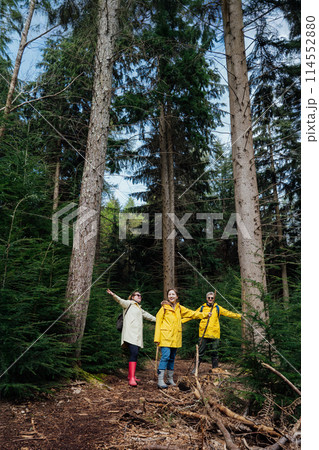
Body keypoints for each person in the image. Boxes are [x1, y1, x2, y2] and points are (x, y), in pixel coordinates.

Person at [154, 288, 211, 389]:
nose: (171, 296)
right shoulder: (164, 308)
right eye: (169, 294)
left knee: (172, 358)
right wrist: (157, 338)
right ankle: (160, 380)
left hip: (175, 338)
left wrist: (205, 315)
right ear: (167, 296)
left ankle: (169, 379)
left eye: (173, 294)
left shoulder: (179, 308)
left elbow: (192, 313)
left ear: (177, 296)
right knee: (165, 357)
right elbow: (158, 323)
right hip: (165, 337)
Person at [107, 288, 156, 387]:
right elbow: (120, 301)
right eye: (137, 295)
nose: (139, 297)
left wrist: (159, 320)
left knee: (135, 353)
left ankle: (131, 376)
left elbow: (148, 316)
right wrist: (113, 294)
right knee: (134, 353)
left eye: (140, 295)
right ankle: (132, 379)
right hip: (130, 334)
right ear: (132, 297)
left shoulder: (138, 308)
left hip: (137, 336)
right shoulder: (128, 303)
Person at [184, 291, 241, 373]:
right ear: (206, 298)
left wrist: (240, 316)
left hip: (215, 333)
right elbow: (192, 315)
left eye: (212, 298)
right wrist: (181, 321)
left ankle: (215, 369)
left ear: (214, 298)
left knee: (215, 352)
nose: (210, 299)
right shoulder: (202, 308)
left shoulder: (218, 308)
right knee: (200, 352)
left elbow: (228, 313)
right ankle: (195, 369)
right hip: (203, 333)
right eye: (209, 298)